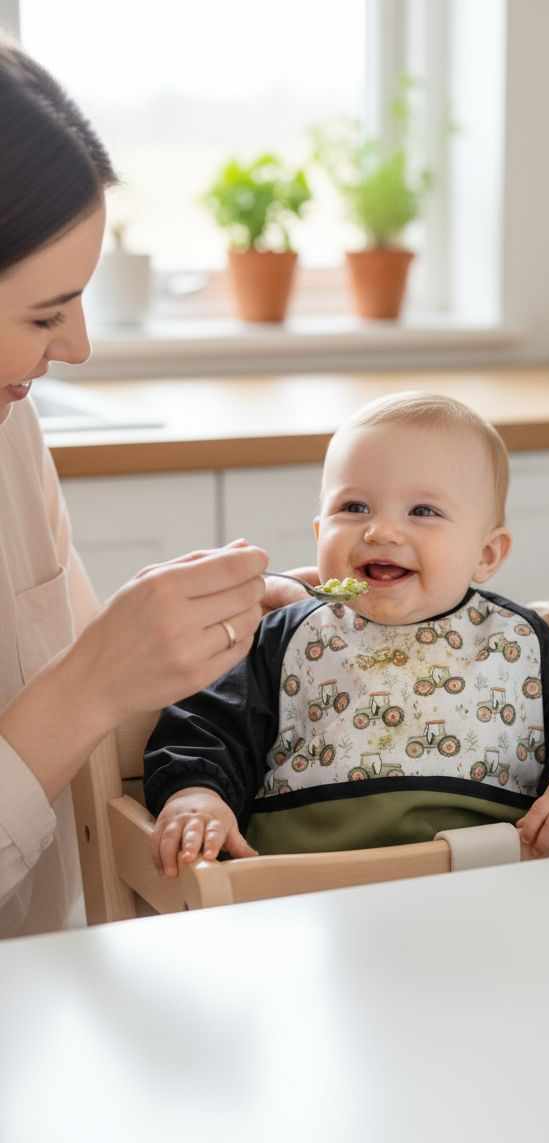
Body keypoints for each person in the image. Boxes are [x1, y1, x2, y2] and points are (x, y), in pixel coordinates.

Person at [0, 37, 301, 936]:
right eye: (44, 315)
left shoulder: (10, 418)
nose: (77, 346)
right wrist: (96, 678)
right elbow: (75, 691)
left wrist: (194, 641)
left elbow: (72, 694)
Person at [145, 392, 549, 876]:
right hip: (304, 892)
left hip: (493, 883)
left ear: (486, 554)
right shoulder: (285, 637)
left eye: (422, 512)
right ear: (320, 534)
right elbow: (204, 728)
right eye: (354, 507)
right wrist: (197, 795)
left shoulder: (522, 643)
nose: (381, 531)